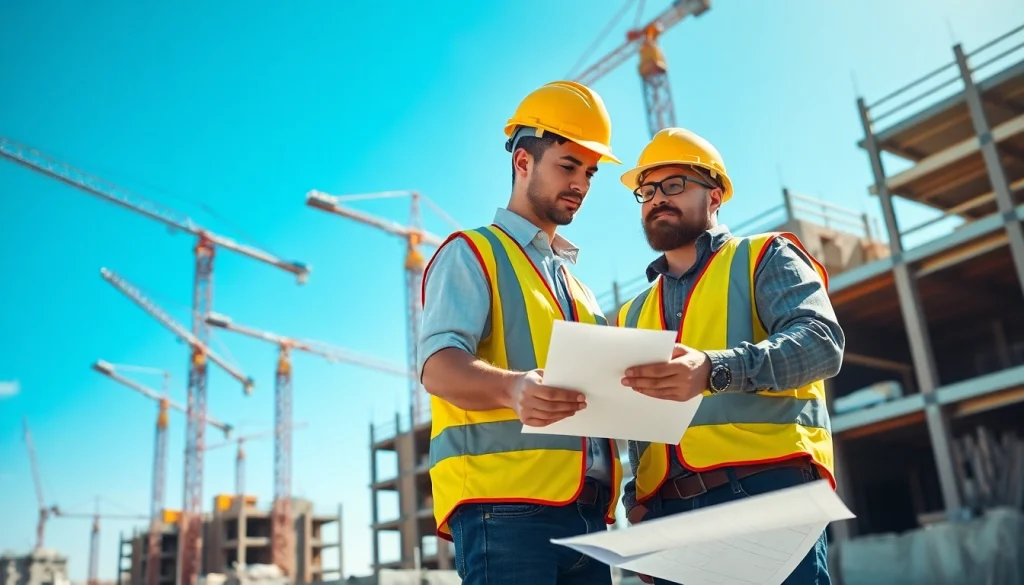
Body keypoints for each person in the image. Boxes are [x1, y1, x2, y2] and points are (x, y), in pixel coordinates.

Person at [614, 127, 845, 585]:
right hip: (669, 516)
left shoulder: (764, 256)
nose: (657, 198)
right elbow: (635, 425)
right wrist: (636, 506)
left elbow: (821, 342)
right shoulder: (631, 312)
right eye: (647, 190)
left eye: (674, 184)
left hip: (766, 497)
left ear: (715, 196)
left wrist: (714, 369)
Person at [417, 80, 624, 585]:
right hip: (506, 512)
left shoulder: (578, 286)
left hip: (589, 515)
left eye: (590, 173)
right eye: (568, 166)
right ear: (523, 162)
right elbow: (437, 366)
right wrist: (513, 388)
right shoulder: (473, 253)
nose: (581, 184)